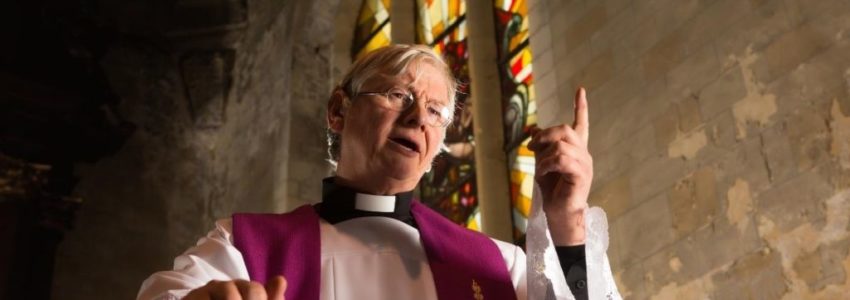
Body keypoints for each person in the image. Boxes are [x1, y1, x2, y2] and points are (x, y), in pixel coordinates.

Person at [137, 44, 618, 300]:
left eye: (435, 112)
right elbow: (167, 297)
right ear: (337, 112)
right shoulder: (247, 246)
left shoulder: (499, 264)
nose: (417, 119)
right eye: (398, 96)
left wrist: (567, 220)